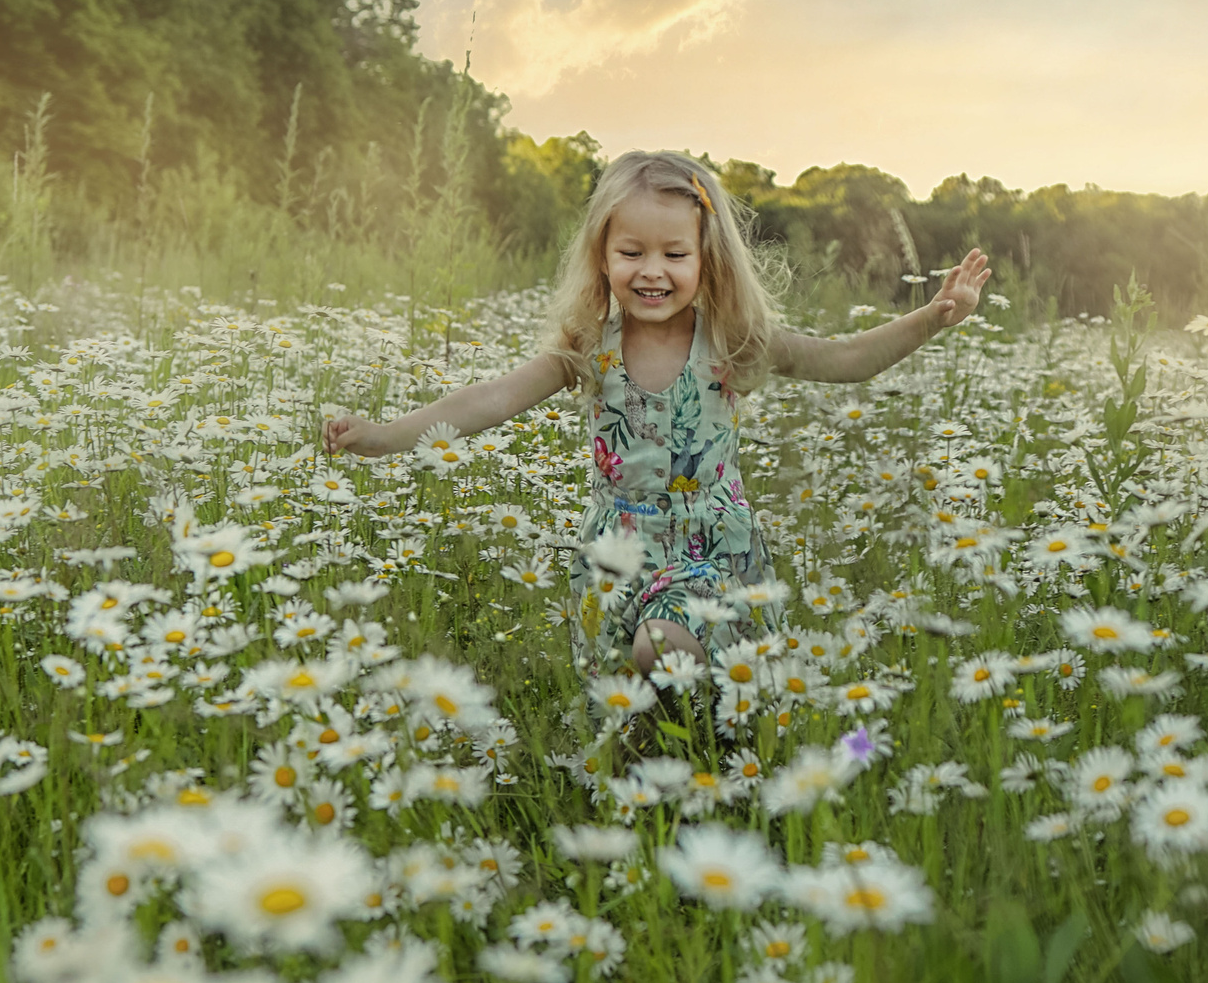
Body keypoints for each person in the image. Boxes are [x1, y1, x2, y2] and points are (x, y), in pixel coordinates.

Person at [321, 149, 990, 734]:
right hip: (616, 560)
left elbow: (845, 359)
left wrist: (933, 317)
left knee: (662, 647)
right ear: (602, 255)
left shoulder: (729, 344)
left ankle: (712, 742)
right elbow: (488, 399)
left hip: (709, 554)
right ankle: (678, 765)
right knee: (628, 710)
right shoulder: (588, 349)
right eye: (631, 251)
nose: (652, 271)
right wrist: (382, 437)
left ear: (708, 259)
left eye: (675, 254)